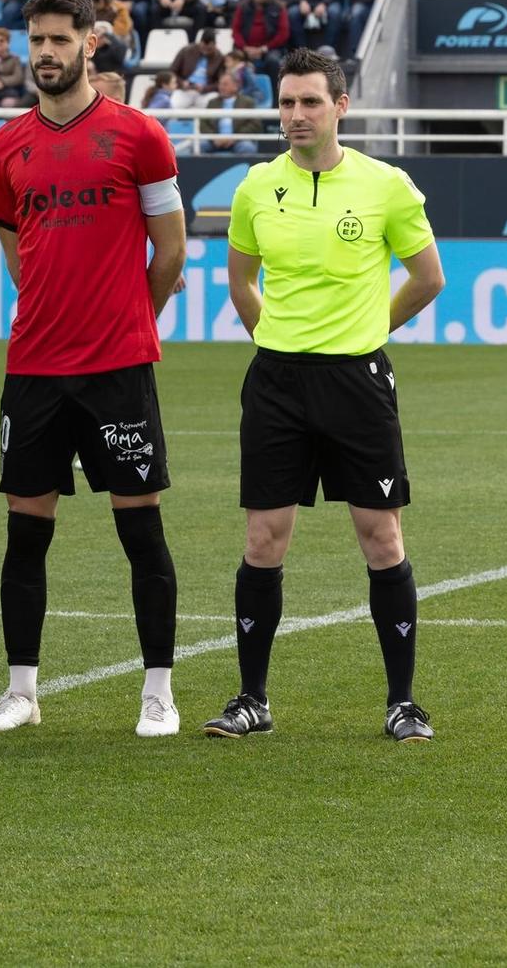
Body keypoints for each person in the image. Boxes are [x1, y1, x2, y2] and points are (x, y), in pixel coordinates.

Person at [205, 49, 445, 745]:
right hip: (276, 381)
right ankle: (252, 698)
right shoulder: (255, 187)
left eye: (310, 102)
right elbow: (241, 280)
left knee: (381, 536)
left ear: (340, 106)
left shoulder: (386, 185)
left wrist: (369, 331)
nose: (296, 115)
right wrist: (272, 339)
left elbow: (427, 277)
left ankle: (402, 701)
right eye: (286, 102)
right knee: (262, 538)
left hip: (356, 382)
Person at [0, 0, 185, 735]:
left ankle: (158, 691)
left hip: (118, 368)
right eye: (37, 41)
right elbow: (11, 243)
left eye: (60, 39)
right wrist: (57, 310)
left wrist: (126, 319)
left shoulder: (140, 135)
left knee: (141, 530)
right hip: (33, 367)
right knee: (26, 532)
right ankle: (21, 692)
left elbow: (173, 251)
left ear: (89, 42)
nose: (46, 54)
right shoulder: (6, 145)